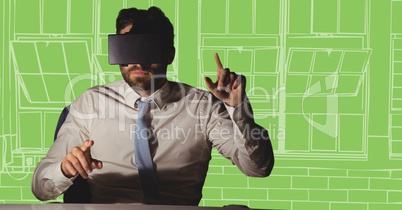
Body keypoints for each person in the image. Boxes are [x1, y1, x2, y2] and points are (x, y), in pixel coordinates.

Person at [31, 6, 274, 205]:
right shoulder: (91, 101)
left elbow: (258, 168)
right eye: (128, 48)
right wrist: (64, 170)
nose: (138, 59)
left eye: (147, 47)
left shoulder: (203, 105)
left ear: (169, 54)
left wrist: (239, 111)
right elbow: (40, 187)